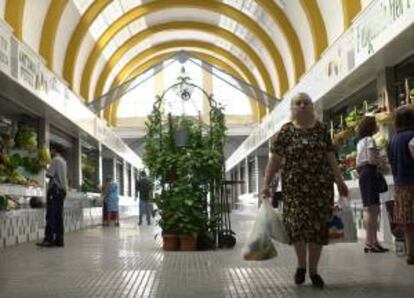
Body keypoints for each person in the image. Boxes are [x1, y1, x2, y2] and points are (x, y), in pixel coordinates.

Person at [262, 92, 348, 289]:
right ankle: (301, 265)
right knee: (297, 228)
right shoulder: (286, 132)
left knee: (317, 229)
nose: (302, 106)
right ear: (292, 108)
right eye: (297, 103)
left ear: (312, 106)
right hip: (294, 190)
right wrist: (266, 184)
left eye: (305, 102)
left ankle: (313, 270)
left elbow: (330, 157)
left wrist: (340, 180)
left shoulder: (321, 130)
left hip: (320, 188)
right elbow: (274, 160)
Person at [356, 116, 389, 253]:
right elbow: (371, 159)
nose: (376, 126)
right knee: (373, 209)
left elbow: (358, 162)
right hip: (369, 173)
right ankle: (372, 242)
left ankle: (370, 242)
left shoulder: (359, 142)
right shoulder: (370, 140)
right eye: (375, 124)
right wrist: (381, 159)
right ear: (371, 126)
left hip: (363, 173)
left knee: (369, 208)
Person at [387, 105, 414, 264]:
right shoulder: (412, 135)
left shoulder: (393, 140)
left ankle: (411, 254)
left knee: (408, 223)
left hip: (400, 186)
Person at [36, 144, 68, 247]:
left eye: (51, 150)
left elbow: (49, 174)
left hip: (54, 190)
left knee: (51, 215)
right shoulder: (63, 161)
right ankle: (59, 240)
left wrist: (44, 166)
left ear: (54, 150)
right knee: (58, 216)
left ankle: (49, 239)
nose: (50, 152)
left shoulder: (55, 160)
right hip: (61, 191)